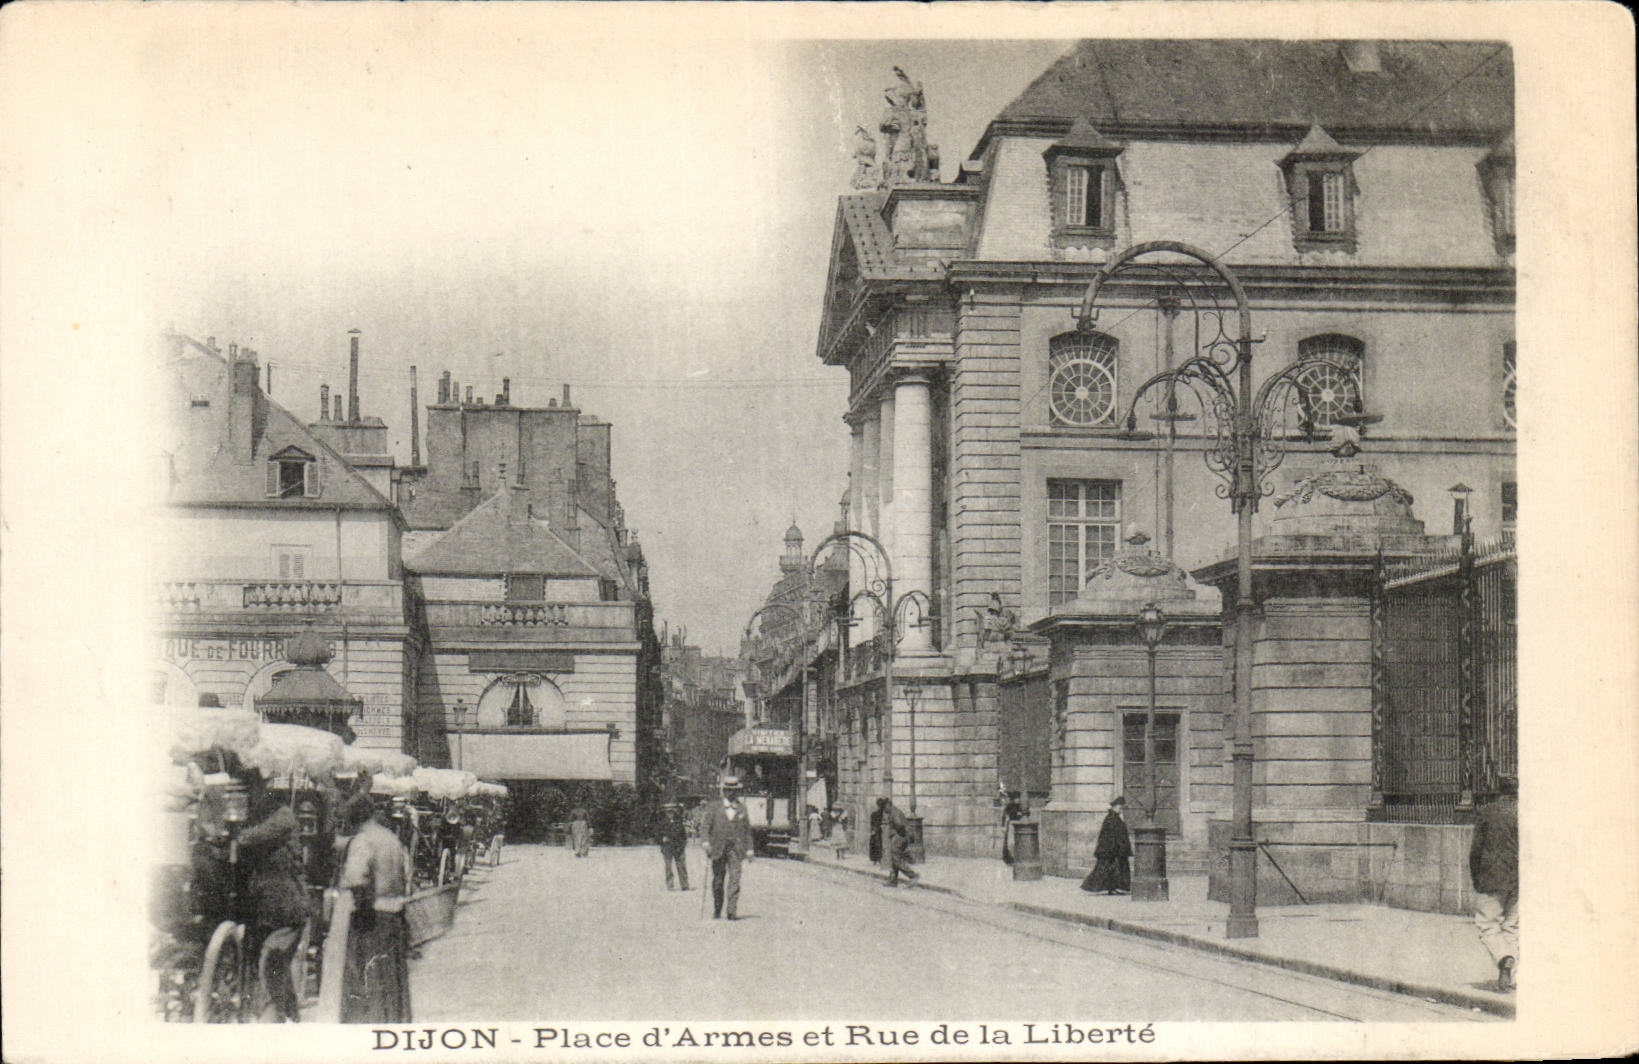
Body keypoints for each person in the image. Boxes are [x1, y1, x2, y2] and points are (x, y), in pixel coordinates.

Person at [237, 773, 309, 1022]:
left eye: (252, 790)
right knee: (277, 970)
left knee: (271, 961)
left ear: (263, 790)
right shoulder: (259, 816)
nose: (249, 797)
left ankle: (271, 1024)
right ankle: (290, 1019)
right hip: (265, 907)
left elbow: (249, 837)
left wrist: (233, 830)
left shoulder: (282, 816)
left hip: (287, 906)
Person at [338, 792, 412, 1023]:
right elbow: (407, 873)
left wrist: (359, 908)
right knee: (392, 983)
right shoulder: (391, 838)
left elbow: (356, 879)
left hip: (372, 919)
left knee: (369, 985)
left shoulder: (362, 841)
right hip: (396, 916)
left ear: (353, 817)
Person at [1469, 776, 1519, 991]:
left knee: (1487, 925)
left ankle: (1503, 957)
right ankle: (1513, 977)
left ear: (1499, 790)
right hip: (1518, 878)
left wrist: (1476, 877)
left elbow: (1476, 850)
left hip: (1491, 877)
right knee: (1512, 926)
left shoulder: (1487, 812)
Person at [703, 776, 753, 920]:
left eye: (734, 791)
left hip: (736, 849)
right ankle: (717, 908)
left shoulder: (742, 808)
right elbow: (706, 826)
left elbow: (747, 830)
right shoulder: (714, 807)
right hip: (718, 849)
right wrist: (706, 843)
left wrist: (749, 850)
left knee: (735, 879)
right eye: (728, 790)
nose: (731, 793)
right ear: (724, 791)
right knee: (718, 881)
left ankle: (732, 911)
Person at [1081, 795, 1132, 895]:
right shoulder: (1111, 819)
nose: (1120, 810)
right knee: (1107, 869)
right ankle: (1100, 887)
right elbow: (1111, 836)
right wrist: (1116, 848)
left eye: (1121, 808)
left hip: (1113, 850)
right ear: (1114, 807)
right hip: (1111, 850)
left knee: (1113, 869)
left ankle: (1112, 888)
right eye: (1119, 807)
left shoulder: (1114, 818)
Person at [882, 797, 919, 888]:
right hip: (900, 836)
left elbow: (899, 824)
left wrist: (896, 833)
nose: (883, 810)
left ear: (888, 805)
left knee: (895, 857)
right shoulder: (894, 811)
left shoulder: (894, 812)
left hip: (899, 837)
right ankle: (893, 880)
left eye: (884, 807)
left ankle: (912, 875)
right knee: (894, 857)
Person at [656, 802, 690, 891]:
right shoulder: (661, 822)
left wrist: (682, 844)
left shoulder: (679, 821)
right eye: (668, 812)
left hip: (678, 847)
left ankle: (685, 885)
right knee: (668, 867)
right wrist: (661, 840)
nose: (670, 813)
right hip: (667, 847)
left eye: (671, 811)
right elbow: (657, 835)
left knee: (681, 866)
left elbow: (683, 835)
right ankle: (670, 885)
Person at [1001, 792, 1025, 866]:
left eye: (1019, 798)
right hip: (1011, 824)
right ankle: (1011, 858)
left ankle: (1016, 858)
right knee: (1010, 843)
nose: (1018, 800)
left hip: (1018, 825)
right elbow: (1005, 816)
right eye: (1016, 798)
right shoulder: (1009, 806)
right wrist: (1003, 826)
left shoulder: (1021, 806)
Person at [868, 798, 885, 865]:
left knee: (875, 845)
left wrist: (873, 830)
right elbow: (872, 824)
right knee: (877, 845)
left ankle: (876, 859)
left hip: (877, 831)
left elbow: (872, 824)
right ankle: (877, 859)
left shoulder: (874, 814)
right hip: (878, 831)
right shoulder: (877, 814)